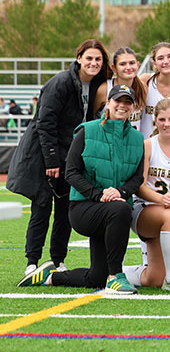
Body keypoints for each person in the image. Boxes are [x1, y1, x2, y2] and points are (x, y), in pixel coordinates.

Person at [19, 84, 144, 293]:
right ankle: (116, 276)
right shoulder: (88, 130)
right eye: (118, 101)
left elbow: (137, 178)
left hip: (112, 210)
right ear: (108, 103)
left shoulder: (137, 139)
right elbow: (71, 172)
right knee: (121, 210)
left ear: (133, 107)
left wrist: (120, 192)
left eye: (127, 102)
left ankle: (50, 277)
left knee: (96, 277)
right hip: (84, 209)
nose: (122, 105)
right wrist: (99, 194)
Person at [9, 39, 111, 276]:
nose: (93, 63)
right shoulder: (61, 82)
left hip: (70, 156)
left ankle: (58, 260)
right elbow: (45, 123)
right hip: (45, 155)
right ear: (79, 58)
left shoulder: (97, 84)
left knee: (65, 210)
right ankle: (32, 262)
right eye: (89, 58)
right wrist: (52, 161)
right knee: (42, 208)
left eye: (98, 59)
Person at [123, 98, 170, 292]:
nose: (167, 124)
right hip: (144, 210)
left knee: (154, 278)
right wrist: (161, 200)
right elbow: (139, 186)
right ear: (155, 120)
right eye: (162, 119)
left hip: (167, 214)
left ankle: (114, 271)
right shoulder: (147, 145)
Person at [94, 47, 147, 130]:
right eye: (123, 64)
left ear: (138, 65)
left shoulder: (142, 87)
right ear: (114, 68)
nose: (128, 67)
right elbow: (91, 115)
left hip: (133, 141)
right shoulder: (105, 88)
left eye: (132, 63)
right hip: (108, 140)